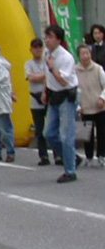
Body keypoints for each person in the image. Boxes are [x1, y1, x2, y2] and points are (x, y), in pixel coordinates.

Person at [42, 25, 81, 183]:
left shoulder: (66, 57)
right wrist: (45, 91)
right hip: (53, 95)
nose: (47, 40)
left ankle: (70, 171)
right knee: (48, 133)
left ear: (59, 39)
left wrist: (52, 68)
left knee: (66, 136)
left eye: (50, 37)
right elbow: (47, 76)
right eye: (46, 37)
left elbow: (63, 81)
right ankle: (71, 157)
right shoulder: (47, 53)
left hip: (66, 96)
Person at [25, 38, 58, 166]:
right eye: (35, 47)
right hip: (35, 99)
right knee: (39, 130)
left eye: (40, 47)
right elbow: (31, 78)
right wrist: (45, 75)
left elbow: (50, 76)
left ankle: (57, 155)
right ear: (31, 49)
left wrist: (41, 76)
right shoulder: (28, 64)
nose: (38, 50)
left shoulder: (47, 62)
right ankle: (43, 155)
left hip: (49, 98)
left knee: (53, 128)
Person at [74, 45, 105, 168]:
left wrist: (102, 98)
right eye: (83, 54)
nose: (86, 56)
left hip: (99, 106)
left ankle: (101, 156)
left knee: (102, 132)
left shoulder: (98, 69)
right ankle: (88, 157)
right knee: (87, 134)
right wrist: (78, 106)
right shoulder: (75, 70)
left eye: (87, 53)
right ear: (79, 56)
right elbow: (74, 89)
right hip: (85, 107)